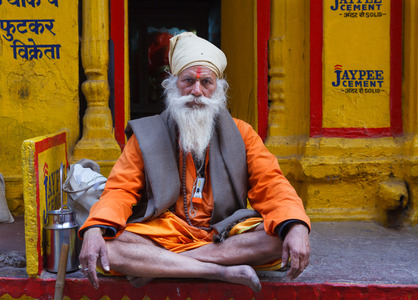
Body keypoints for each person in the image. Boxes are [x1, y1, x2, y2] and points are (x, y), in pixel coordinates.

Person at [79, 32, 311, 293]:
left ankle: (162, 266)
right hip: (166, 232)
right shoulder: (148, 135)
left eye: (206, 82)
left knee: (279, 239)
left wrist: (297, 225)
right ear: (172, 84)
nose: (197, 91)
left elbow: (272, 184)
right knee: (109, 248)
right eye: (188, 81)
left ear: (218, 89)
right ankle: (219, 271)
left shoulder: (242, 133)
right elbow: (120, 190)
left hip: (224, 233)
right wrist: (95, 228)